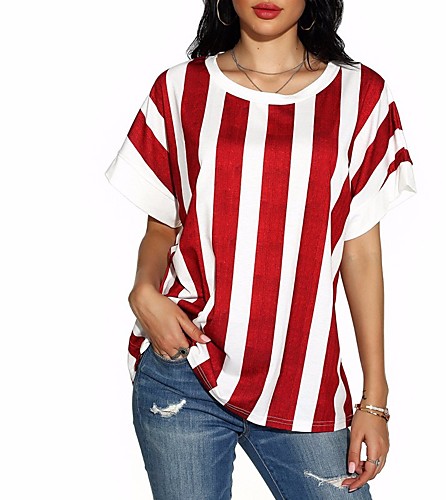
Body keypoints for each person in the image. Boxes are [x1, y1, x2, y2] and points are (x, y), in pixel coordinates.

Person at [105, 0, 417, 498]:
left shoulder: (361, 96)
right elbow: (163, 228)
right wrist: (143, 292)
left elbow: (360, 252)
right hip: (184, 367)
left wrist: (374, 398)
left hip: (305, 383)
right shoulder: (181, 89)